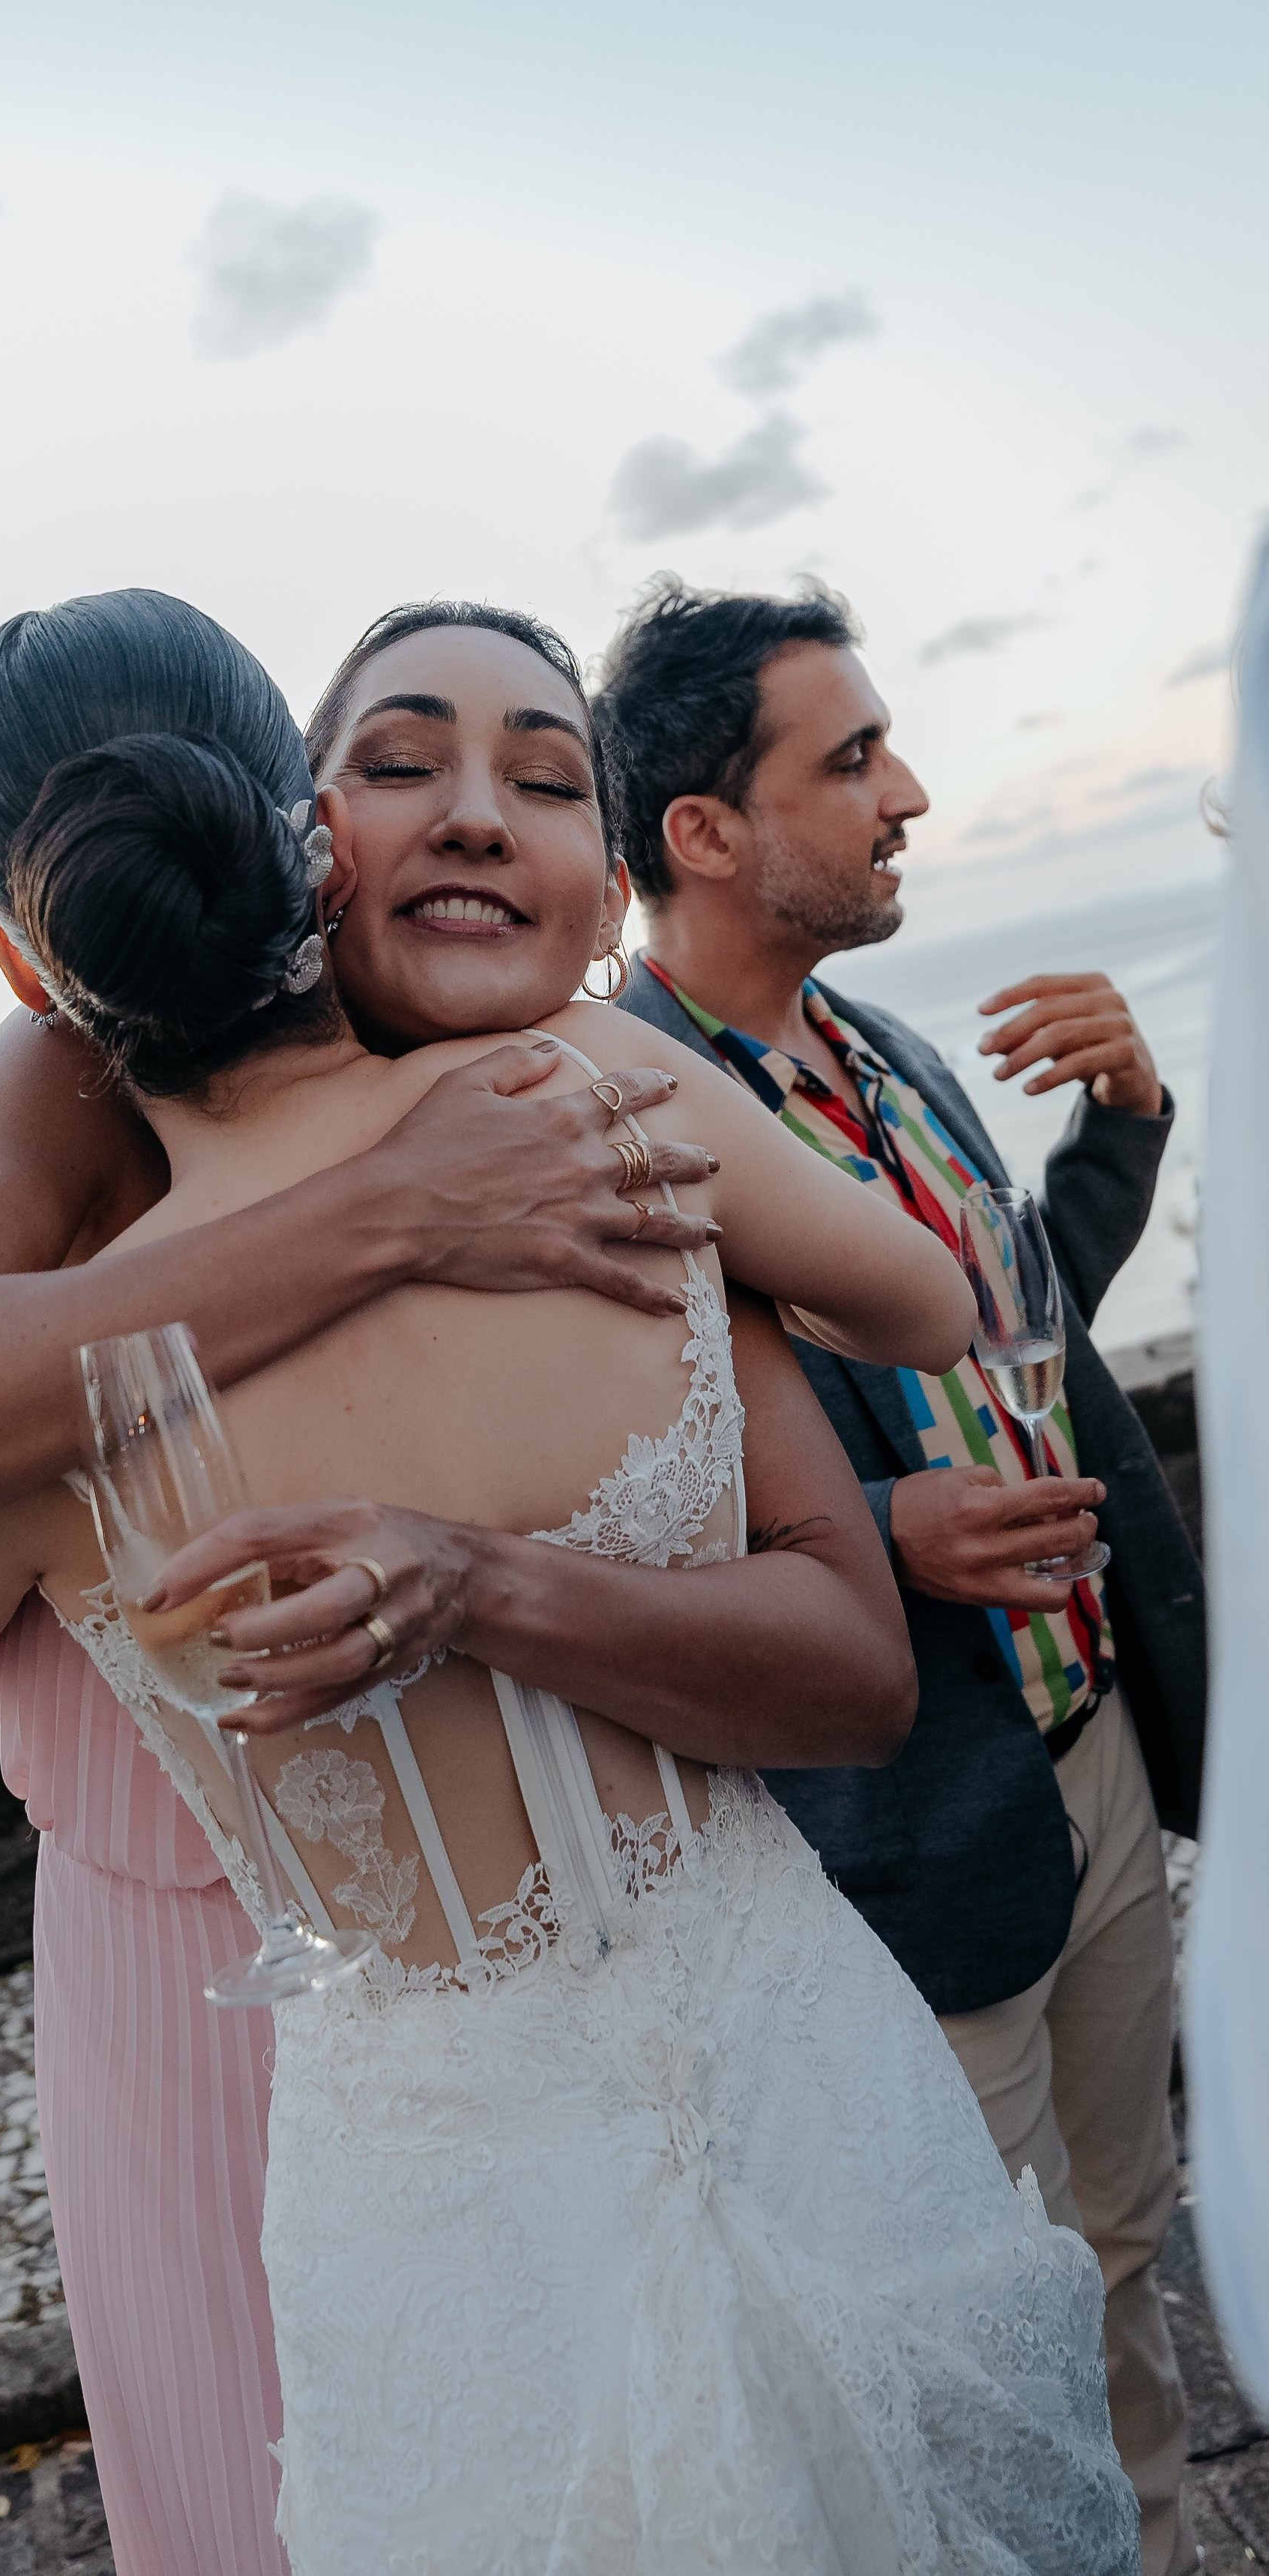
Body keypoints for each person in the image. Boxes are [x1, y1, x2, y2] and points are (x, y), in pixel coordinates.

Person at [0, 591, 1137, 2573]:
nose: (469, 814)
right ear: (313, 844)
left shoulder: (41, 1401)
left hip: (420, 2159)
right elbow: (918, 1311)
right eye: (401, 766)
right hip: (783, 2031)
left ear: (20, 958)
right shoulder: (604, 1121)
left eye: (540, 777)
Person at [593, 578, 1206, 2576]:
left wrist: (1122, 1129)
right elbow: (582, 1497)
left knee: (1122, 2243)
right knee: (969, 2321)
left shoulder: (886, 1054)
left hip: (1089, 1747)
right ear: (703, 831)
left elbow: (1009, 1330)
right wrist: (873, 1536)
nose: (908, 792)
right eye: (850, 759)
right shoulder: (610, 1119)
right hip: (903, 1824)